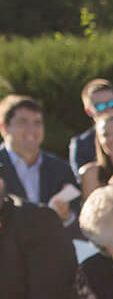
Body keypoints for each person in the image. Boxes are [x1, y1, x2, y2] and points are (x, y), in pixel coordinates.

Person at [1, 95, 77, 224]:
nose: (32, 130)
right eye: (23, 122)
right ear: (4, 128)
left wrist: (67, 216)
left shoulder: (61, 169)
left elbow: (79, 219)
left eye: (37, 123)